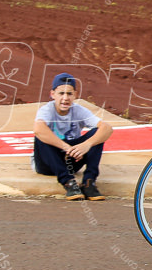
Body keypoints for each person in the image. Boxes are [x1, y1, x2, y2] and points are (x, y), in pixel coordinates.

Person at [33, 72, 113, 200]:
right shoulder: (46, 110)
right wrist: (65, 147)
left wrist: (86, 145)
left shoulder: (78, 110)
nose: (65, 98)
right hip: (47, 163)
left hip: (72, 159)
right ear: (52, 94)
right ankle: (68, 183)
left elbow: (107, 128)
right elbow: (38, 129)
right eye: (61, 93)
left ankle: (89, 183)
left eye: (69, 94)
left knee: (96, 133)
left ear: (75, 95)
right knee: (41, 135)